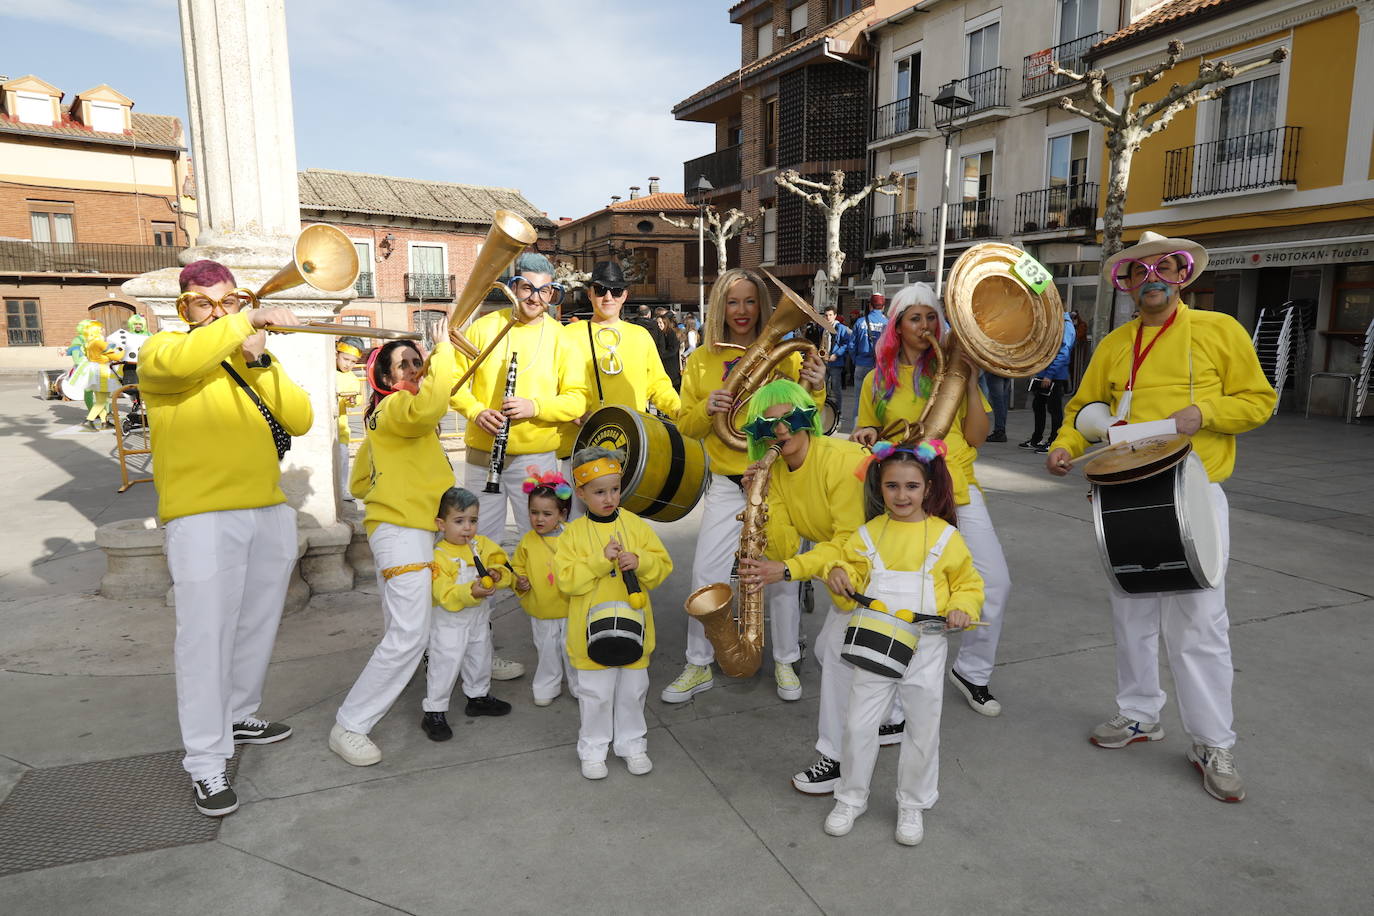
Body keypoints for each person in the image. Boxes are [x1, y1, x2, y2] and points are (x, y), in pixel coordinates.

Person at [1045, 231, 1276, 803]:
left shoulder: (1221, 331)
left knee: (1201, 622)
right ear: (1124, 283)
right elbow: (1082, 410)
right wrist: (1065, 444)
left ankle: (1213, 742)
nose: (1152, 279)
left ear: (1182, 275)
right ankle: (1139, 714)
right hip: (1123, 490)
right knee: (1131, 613)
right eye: (1139, 271)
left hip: (1195, 492)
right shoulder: (1114, 344)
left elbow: (1259, 399)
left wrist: (1208, 412)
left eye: (1164, 268)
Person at [140, 259, 312, 816]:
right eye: (202, 302)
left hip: (265, 507)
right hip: (201, 516)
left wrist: (261, 360)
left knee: (256, 626)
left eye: (227, 299)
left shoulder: (246, 353)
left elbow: (302, 418)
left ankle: (238, 715)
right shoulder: (163, 352)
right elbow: (188, 358)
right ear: (183, 308)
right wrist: (243, 322)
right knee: (204, 639)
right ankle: (205, 763)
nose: (217, 310)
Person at [663, 268, 827, 703]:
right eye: (733, 302)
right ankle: (697, 663)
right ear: (721, 306)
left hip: (775, 481)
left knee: (780, 579)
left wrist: (817, 390)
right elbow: (686, 425)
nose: (741, 311)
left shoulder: (785, 356)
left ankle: (785, 660)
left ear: (762, 306)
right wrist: (706, 407)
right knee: (707, 574)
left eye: (750, 301)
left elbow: (805, 423)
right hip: (725, 482)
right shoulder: (700, 359)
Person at [733, 379, 900, 795]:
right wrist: (759, 499)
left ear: (809, 417)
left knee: (840, 658)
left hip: (889, 566)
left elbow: (849, 541)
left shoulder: (841, 461)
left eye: (789, 418)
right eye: (769, 424)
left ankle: (838, 759)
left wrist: (787, 571)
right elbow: (788, 542)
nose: (781, 430)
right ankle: (893, 717)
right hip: (854, 573)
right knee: (829, 651)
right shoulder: (780, 472)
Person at [852, 283, 1011, 717]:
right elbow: (866, 431)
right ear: (898, 326)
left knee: (994, 582)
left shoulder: (952, 371)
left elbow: (978, 435)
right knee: (906, 592)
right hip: (904, 493)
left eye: (930, 318)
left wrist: (972, 383)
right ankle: (897, 686)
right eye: (914, 318)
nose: (925, 326)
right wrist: (867, 435)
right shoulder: (876, 379)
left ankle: (972, 671)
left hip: (957, 484)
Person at [822, 443, 984, 845]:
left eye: (912, 486)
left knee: (923, 728)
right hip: (874, 648)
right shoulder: (868, 533)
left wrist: (963, 606)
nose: (901, 495)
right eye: (892, 486)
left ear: (928, 488)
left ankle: (912, 804)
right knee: (859, 724)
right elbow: (850, 575)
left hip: (926, 649)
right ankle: (850, 796)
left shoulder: (947, 537)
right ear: (880, 486)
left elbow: (969, 583)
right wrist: (839, 575)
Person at [331, 330, 458, 767]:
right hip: (403, 531)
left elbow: (358, 483)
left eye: (418, 360)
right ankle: (352, 723)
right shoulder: (396, 406)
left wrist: (397, 484)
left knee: (409, 627)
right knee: (409, 635)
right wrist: (443, 356)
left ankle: (462, 668)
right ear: (386, 378)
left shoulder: (387, 417)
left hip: (406, 528)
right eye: (406, 364)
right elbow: (429, 407)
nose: (416, 368)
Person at [452, 252, 588, 550]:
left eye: (544, 291)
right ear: (514, 287)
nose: (535, 298)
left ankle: (542, 597)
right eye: (527, 287)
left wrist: (535, 407)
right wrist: (476, 412)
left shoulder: (562, 338)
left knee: (544, 543)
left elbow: (577, 400)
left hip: (536, 460)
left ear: (552, 293)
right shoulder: (483, 328)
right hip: (482, 456)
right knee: (478, 544)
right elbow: (453, 383)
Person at [555, 447, 673, 779]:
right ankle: (592, 748)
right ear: (580, 493)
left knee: (633, 690)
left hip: (635, 627)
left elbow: (663, 566)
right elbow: (566, 580)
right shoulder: (573, 534)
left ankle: (632, 744)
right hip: (589, 634)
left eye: (615, 489)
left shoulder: (634, 525)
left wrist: (641, 561)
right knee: (595, 693)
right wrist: (598, 560)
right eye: (599, 492)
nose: (609, 498)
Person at [560, 262, 679, 514]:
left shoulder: (640, 336)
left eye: (615, 291)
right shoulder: (569, 335)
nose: (608, 297)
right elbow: (553, 385)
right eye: (601, 289)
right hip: (579, 446)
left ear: (625, 295)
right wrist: (572, 413)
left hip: (630, 450)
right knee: (577, 533)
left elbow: (659, 385)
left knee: (626, 535)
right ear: (590, 293)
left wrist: (683, 413)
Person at [423, 486, 514, 742]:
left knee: (480, 655)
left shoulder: (481, 545)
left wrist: (497, 573)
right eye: (459, 521)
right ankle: (435, 711)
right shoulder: (438, 557)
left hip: (478, 619)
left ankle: (478, 696)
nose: (467, 528)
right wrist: (470, 592)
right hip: (449, 623)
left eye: (473, 521)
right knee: (445, 663)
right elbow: (443, 593)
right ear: (441, 524)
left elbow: (502, 562)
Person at [511, 468, 579, 706]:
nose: (539, 519)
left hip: (571, 606)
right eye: (534, 512)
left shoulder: (573, 536)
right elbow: (517, 566)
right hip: (541, 607)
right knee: (546, 649)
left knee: (574, 649)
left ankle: (580, 685)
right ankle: (546, 685)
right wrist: (519, 579)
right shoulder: (527, 541)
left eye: (547, 513)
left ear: (562, 514)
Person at [1019, 311, 1075, 453]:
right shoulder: (1055, 324)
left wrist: (1049, 375)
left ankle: (1054, 441)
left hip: (1055, 376)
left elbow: (1064, 352)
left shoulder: (1066, 326)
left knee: (1054, 410)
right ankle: (1036, 439)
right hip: (1045, 375)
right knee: (1038, 406)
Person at [849, 294, 887, 426]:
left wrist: (856, 360)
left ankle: (856, 428)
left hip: (861, 364)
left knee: (859, 399)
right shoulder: (887, 323)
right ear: (883, 306)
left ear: (870, 305)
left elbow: (852, 345)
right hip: (880, 367)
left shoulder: (860, 322)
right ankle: (875, 427)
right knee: (878, 398)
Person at [335, 337, 364, 502]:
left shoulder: (352, 378)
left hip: (342, 426)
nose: (348, 364)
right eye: (345, 359)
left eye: (353, 362)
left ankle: (343, 488)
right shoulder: (328, 372)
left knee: (343, 457)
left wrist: (352, 401)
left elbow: (356, 399)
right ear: (336, 354)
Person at [821, 305, 853, 406]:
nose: (828, 317)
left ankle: (838, 410)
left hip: (836, 362)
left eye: (830, 315)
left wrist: (836, 354)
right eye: (826, 315)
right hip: (824, 361)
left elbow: (847, 343)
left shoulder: (841, 328)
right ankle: (826, 407)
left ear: (835, 316)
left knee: (836, 388)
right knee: (822, 386)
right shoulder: (825, 328)